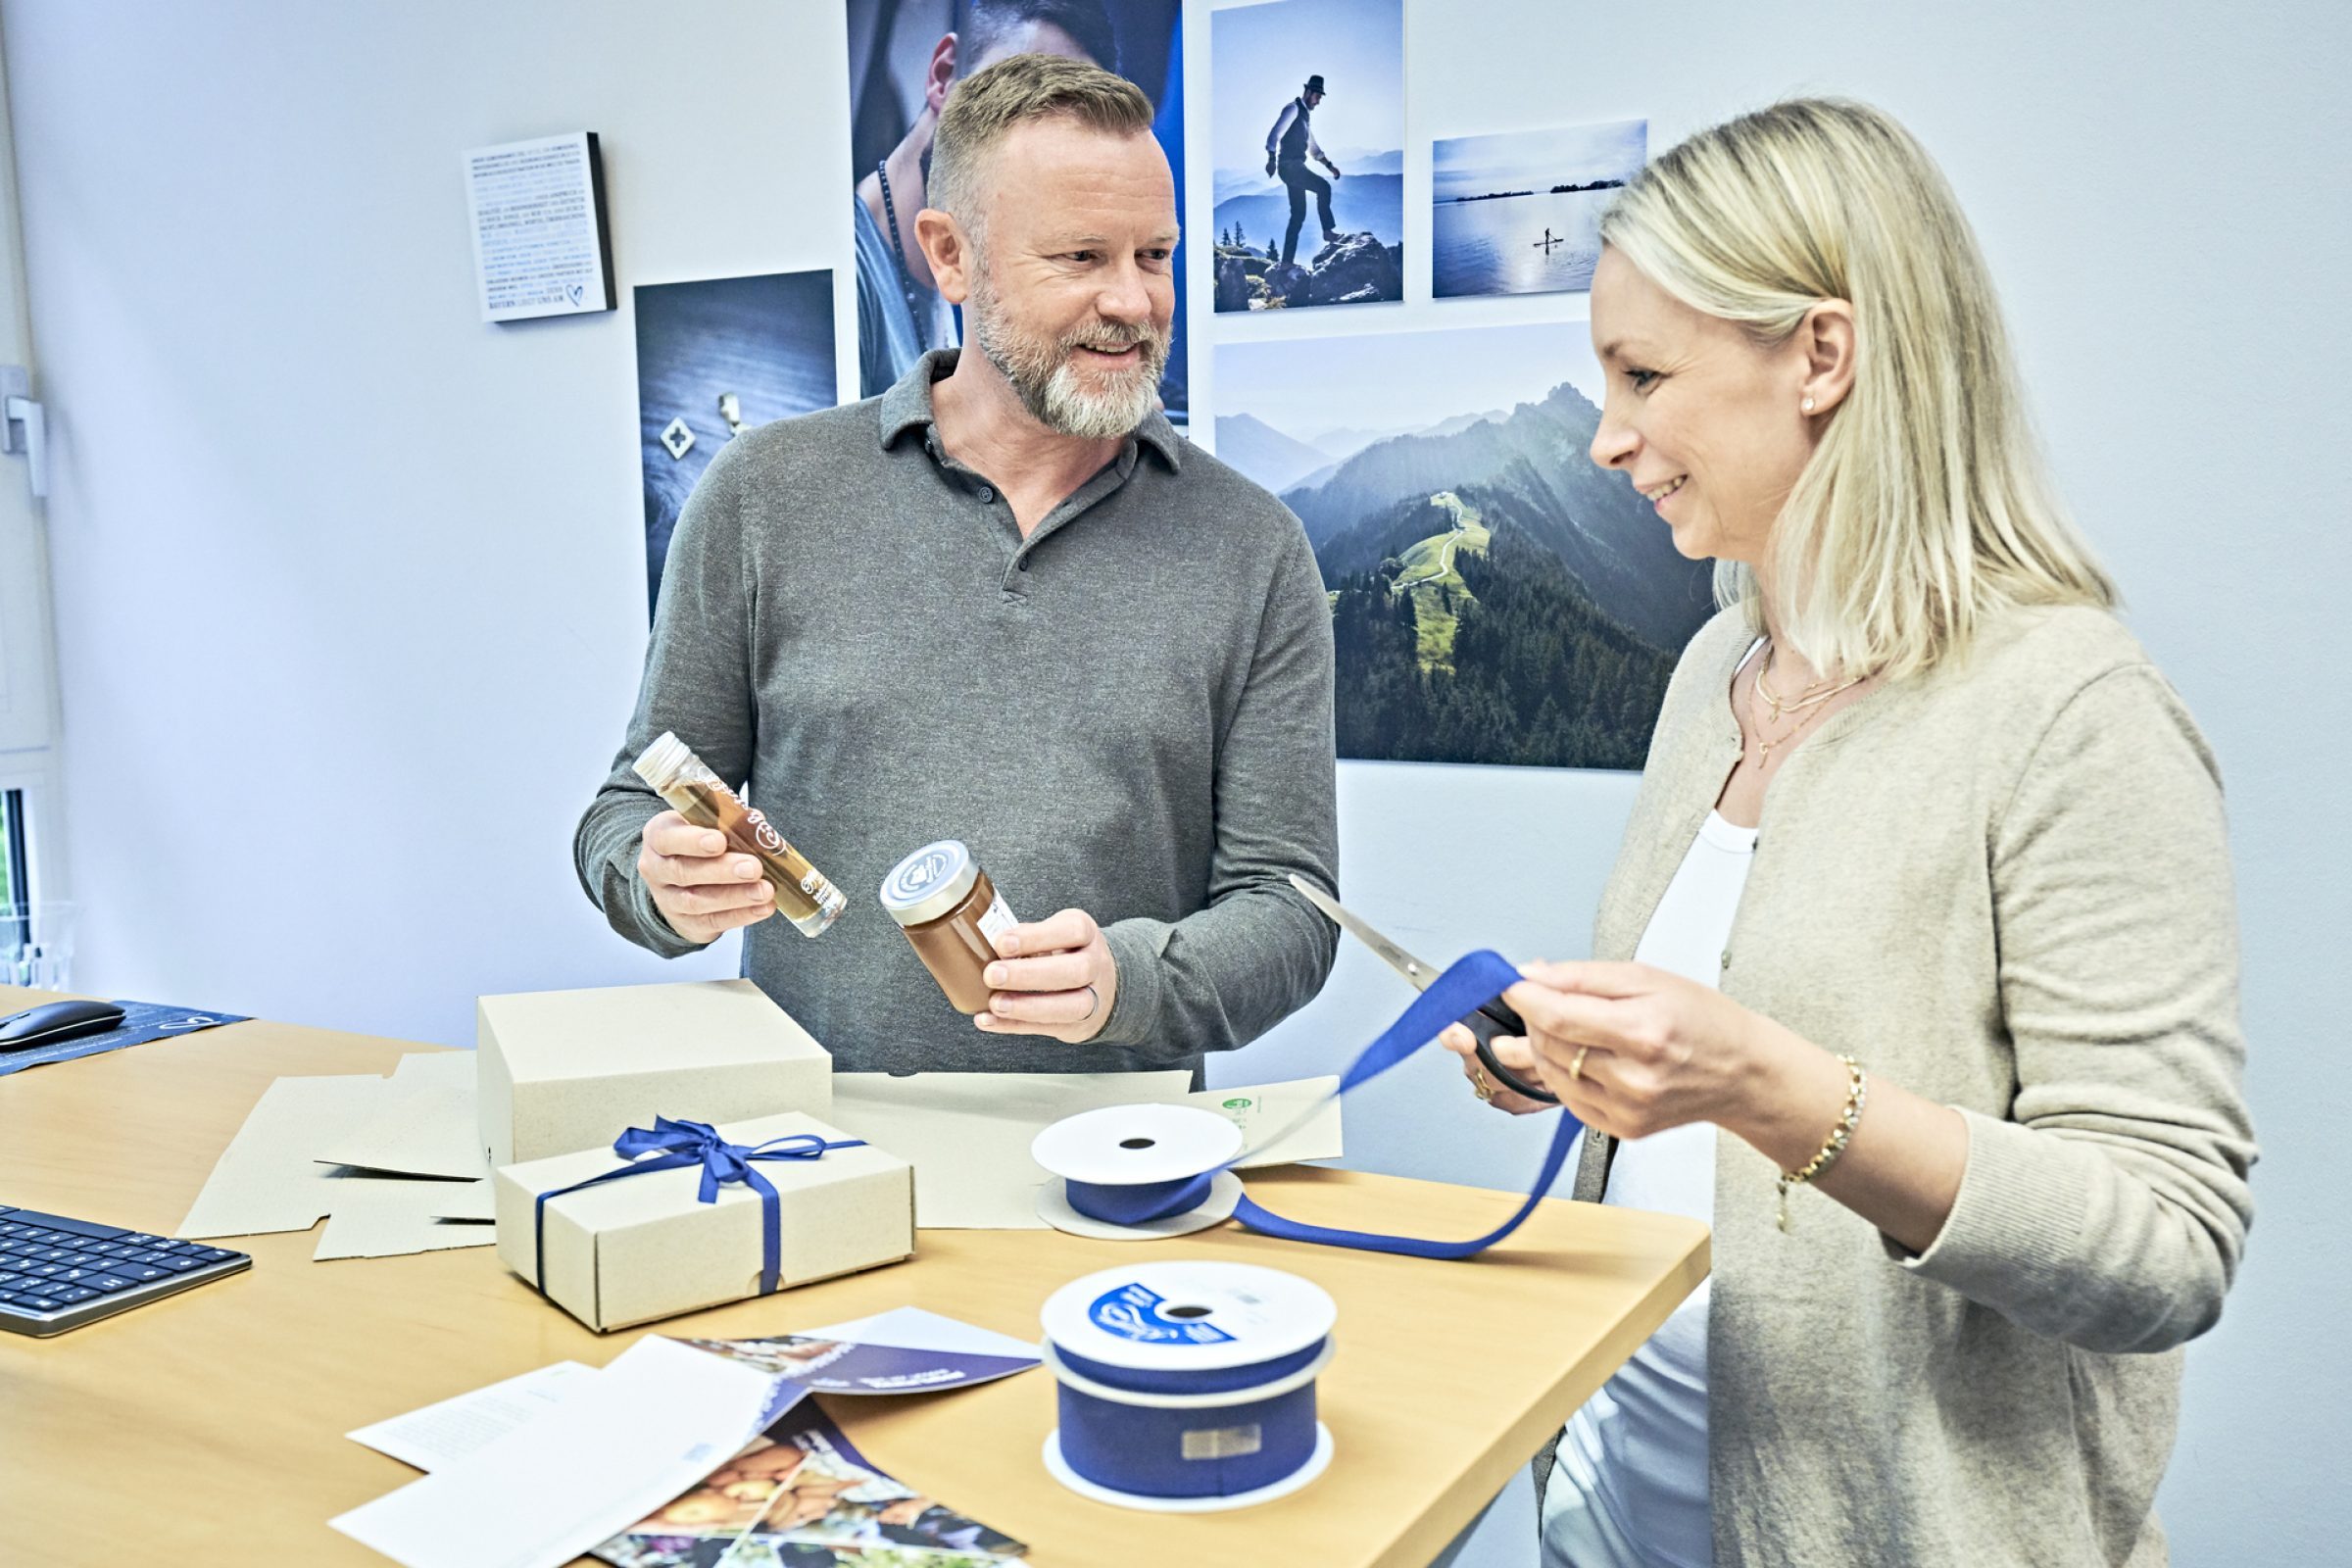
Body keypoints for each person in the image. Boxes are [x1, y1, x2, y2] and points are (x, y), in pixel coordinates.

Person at [1442, 98, 2255, 1567]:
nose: (1608, 436)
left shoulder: (2074, 710)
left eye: (1642, 375)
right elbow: (1723, 1067)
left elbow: (2167, 1244)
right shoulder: (1715, 673)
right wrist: (1586, 1062)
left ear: (1821, 355)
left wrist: (1762, 1083)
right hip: (1617, 1499)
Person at [578, 53, 1339, 1080]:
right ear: (950, 256)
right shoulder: (764, 495)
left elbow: (1291, 910)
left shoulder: (1253, 548)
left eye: (1154, 256)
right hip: (814, 1164)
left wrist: (1131, 979)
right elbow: (629, 810)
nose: (1133, 301)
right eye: (1080, 257)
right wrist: (656, 880)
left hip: (1118, 1168)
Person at [852, 0, 1119, 398]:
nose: (1034, 152)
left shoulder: (960, 271)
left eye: (1072, 131)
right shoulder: (847, 280)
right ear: (944, 75)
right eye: (1016, 100)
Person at [1262, 73, 1342, 267]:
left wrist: (1330, 166)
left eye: (1320, 98)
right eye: (1317, 96)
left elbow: (1313, 149)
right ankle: (1328, 231)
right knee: (1324, 188)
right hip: (1290, 167)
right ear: (1308, 92)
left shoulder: (1305, 118)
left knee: (1298, 214)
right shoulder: (1293, 109)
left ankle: (1287, 261)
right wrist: (1271, 159)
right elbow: (1274, 135)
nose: (1318, 101)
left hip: (1294, 168)